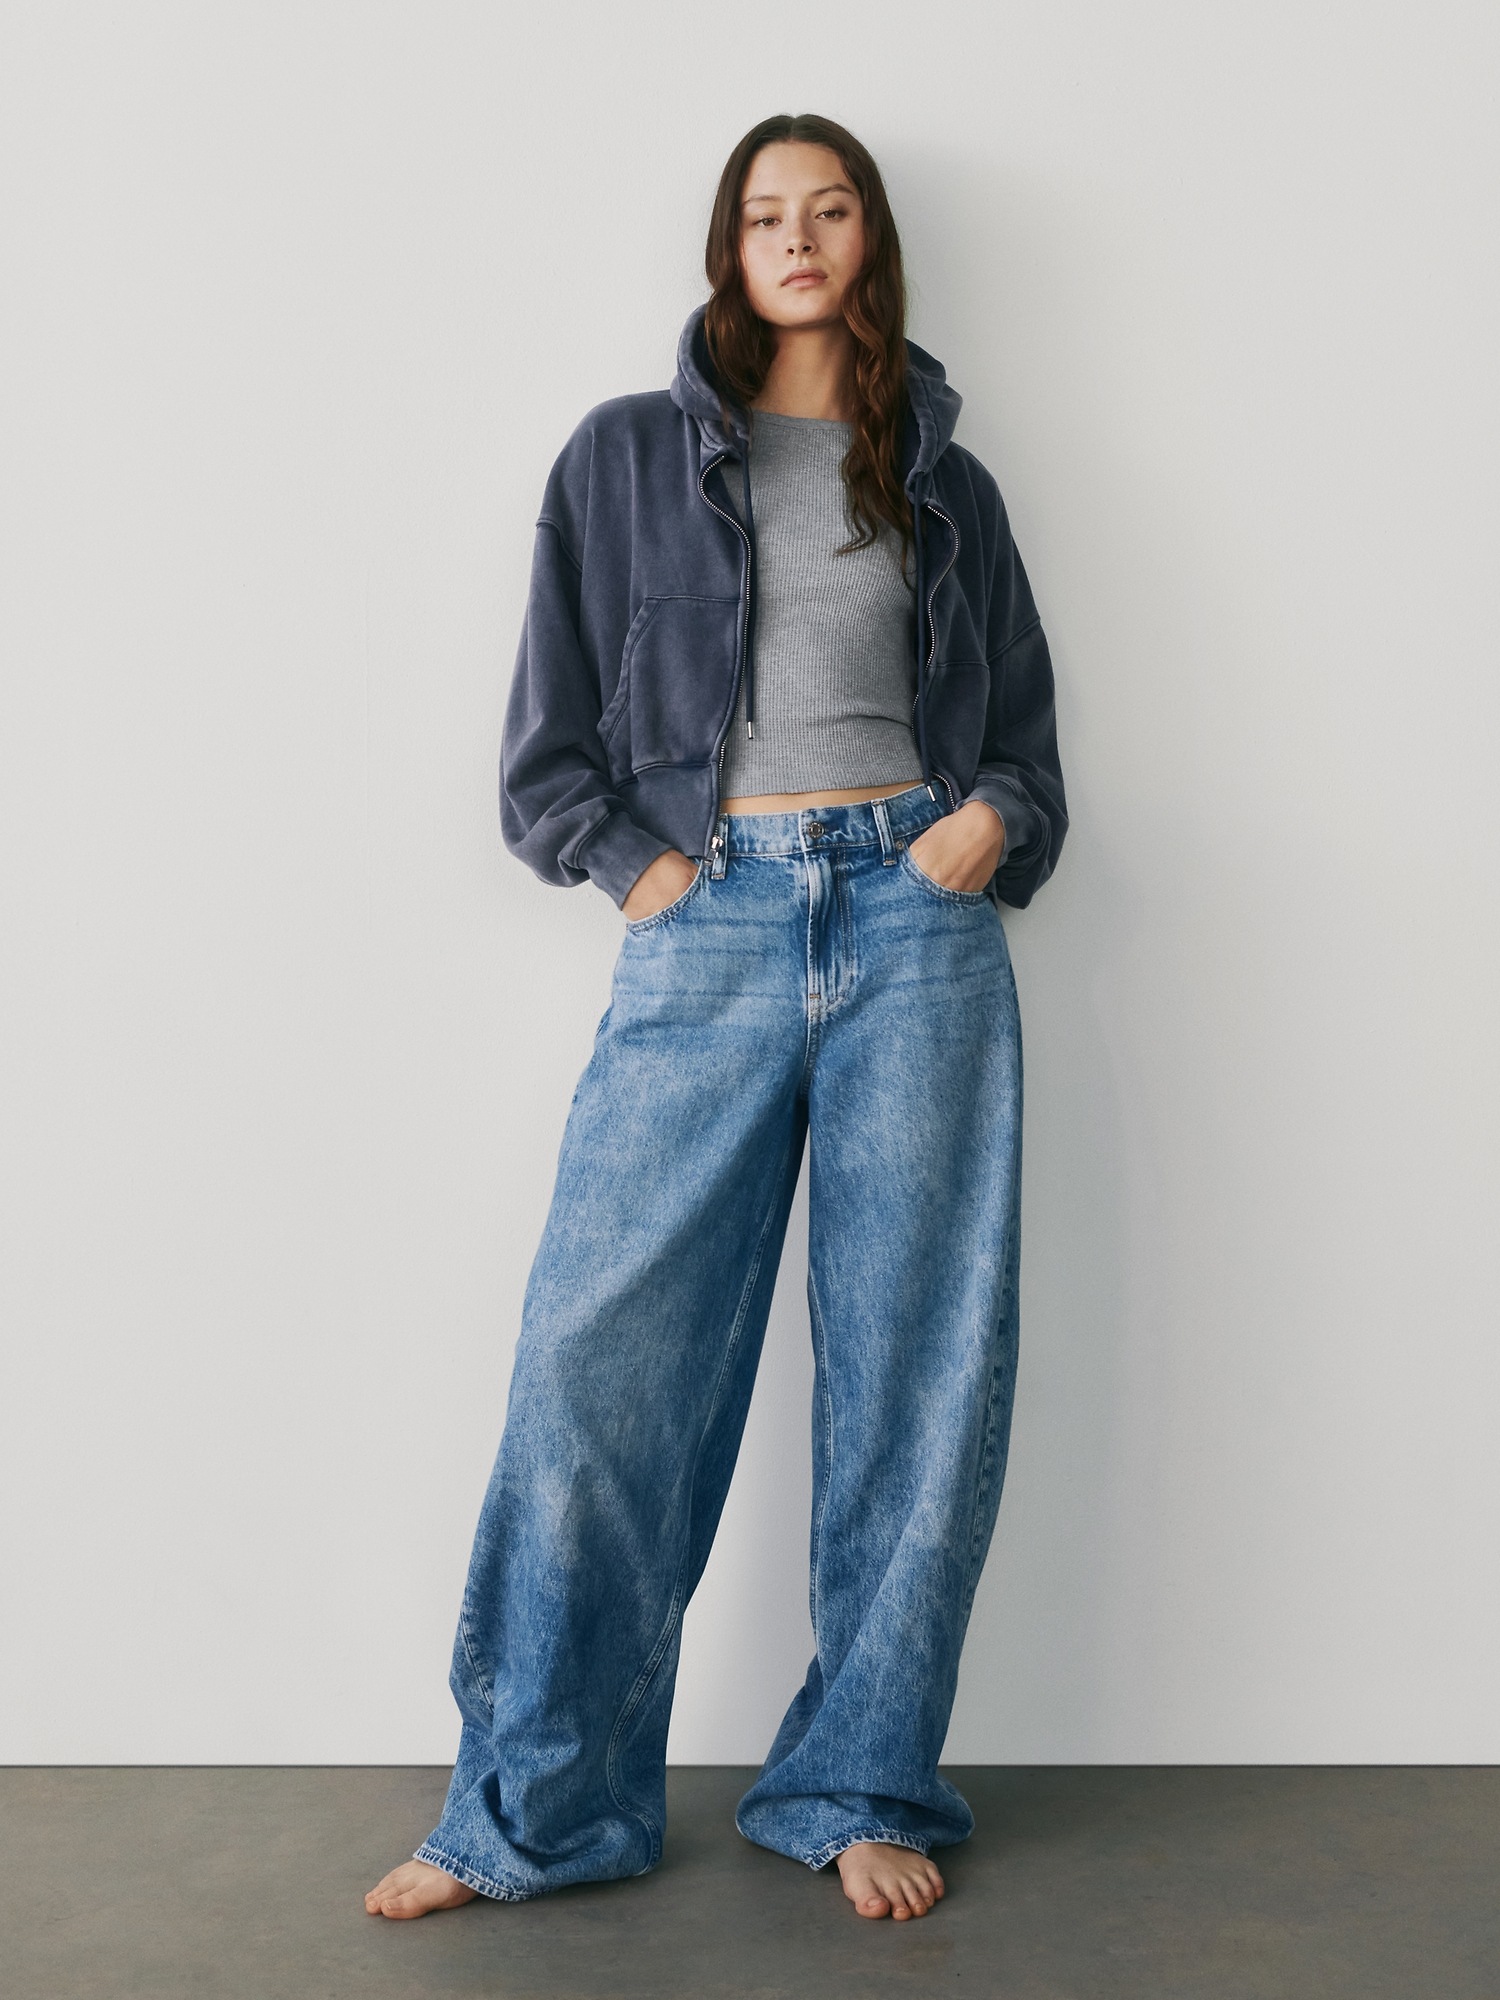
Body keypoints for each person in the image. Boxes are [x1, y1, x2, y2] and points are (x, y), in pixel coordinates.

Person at [365, 111, 1067, 1927]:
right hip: (710, 927)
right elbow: (548, 751)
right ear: (729, 247)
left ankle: (856, 1783)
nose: (798, 236)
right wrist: (642, 870)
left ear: (870, 239)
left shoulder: (947, 480)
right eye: (767, 213)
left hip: (918, 926)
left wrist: (992, 823)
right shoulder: (623, 456)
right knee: (599, 1371)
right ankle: (530, 1813)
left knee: (919, 1379)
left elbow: (1027, 746)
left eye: (829, 209)